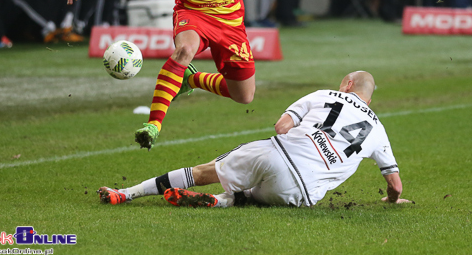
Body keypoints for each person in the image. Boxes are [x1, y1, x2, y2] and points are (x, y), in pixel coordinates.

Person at [98, 71, 410, 209]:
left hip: (280, 155)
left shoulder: (326, 94)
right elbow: (394, 185)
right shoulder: (379, 130)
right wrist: (391, 199)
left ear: (348, 83)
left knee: (206, 170)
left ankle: (126, 193)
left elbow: (281, 126)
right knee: (250, 195)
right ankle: (226, 201)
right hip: (302, 193)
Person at [68, 0, 256, 149]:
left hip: (230, 22)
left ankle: (191, 79)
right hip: (193, 12)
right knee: (184, 50)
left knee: (243, 95)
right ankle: (153, 125)